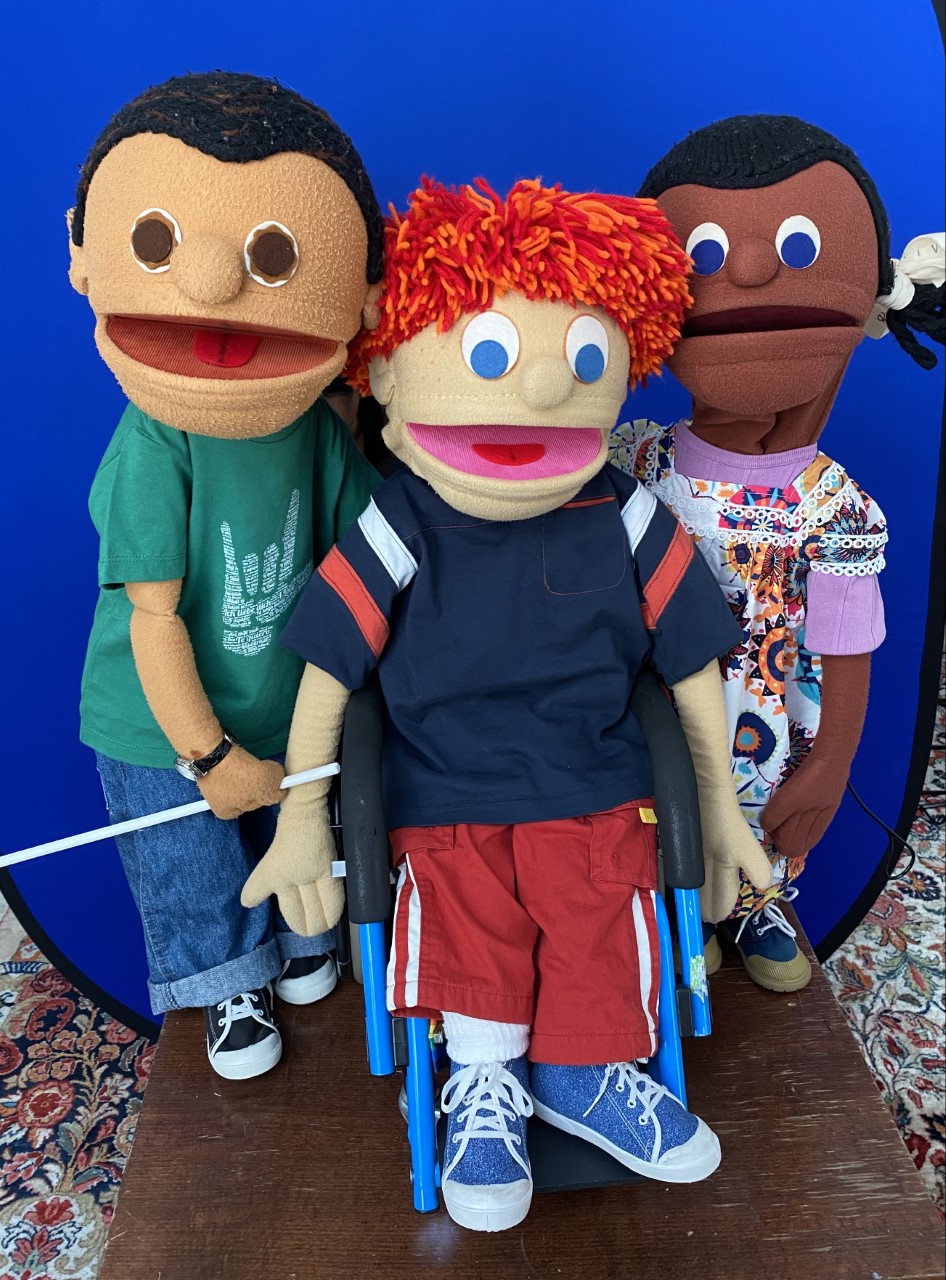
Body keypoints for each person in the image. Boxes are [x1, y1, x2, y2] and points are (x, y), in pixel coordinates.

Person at [241, 178, 773, 1231]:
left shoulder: (619, 509)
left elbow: (694, 660)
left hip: (597, 781)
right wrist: (305, 816)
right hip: (440, 792)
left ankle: (582, 1070)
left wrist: (720, 811)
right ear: (390, 368)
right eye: (489, 355)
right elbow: (330, 667)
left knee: (597, 895)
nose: (535, 390)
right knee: (466, 902)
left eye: (577, 358)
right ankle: (483, 1083)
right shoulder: (401, 521)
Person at [70, 71, 383, 1078]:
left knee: (315, 826)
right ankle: (223, 986)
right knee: (188, 867)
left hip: (285, 701)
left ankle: (300, 937)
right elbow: (154, 620)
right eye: (162, 244)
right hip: (161, 720)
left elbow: (362, 551)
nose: (208, 285)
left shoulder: (310, 429)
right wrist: (209, 760)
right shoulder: (151, 443)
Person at [611, 115, 944, 991]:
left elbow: (847, 644)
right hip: (644, 703)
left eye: (794, 245)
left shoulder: (837, 508)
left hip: (770, 721)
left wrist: (833, 761)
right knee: (651, 803)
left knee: (764, 810)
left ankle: (755, 901)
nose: (751, 269)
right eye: (711, 253)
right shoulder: (637, 460)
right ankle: (670, 906)